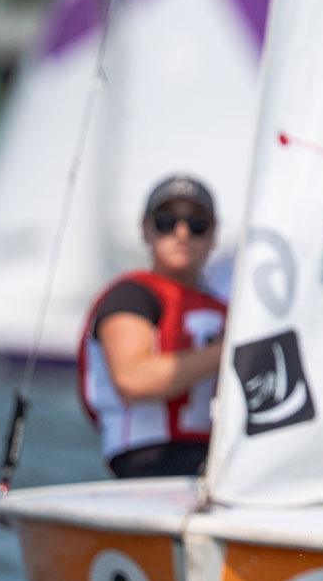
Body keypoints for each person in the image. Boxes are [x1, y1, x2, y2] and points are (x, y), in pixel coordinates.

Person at [78, 175, 227, 478]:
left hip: (212, 464)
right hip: (145, 461)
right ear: (146, 229)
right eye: (167, 221)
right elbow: (133, 379)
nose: (182, 233)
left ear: (213, 234)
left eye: (197, 224)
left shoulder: (226, 310)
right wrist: (228, 350)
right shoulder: (131, 296)